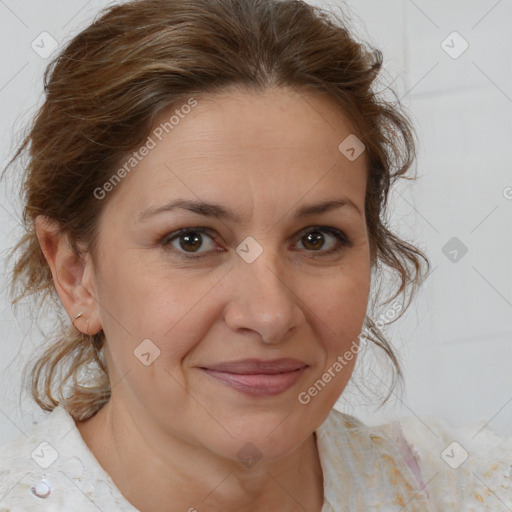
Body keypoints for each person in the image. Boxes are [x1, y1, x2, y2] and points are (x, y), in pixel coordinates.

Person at [0, 0, 510, 510]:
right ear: (75, 274)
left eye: (317, 238)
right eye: (192, 240)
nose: (270, 315)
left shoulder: (477, 492)